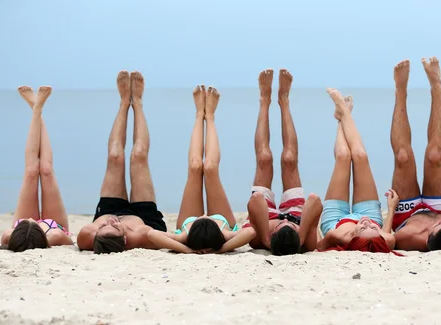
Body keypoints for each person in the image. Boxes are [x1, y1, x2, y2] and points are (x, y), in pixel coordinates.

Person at [146, 85, 256, 253]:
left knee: (195, 166)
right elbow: (250, 232)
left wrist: (186, 249)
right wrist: (222, 248)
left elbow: (152, 234)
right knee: (211, 168)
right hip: (223, 220)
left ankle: (199, 114)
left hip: (188, 224)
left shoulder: (184, 236)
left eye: (202, 218)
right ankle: (210, 116)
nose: (204, 215)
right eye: (206, 218)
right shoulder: (225, 234)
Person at [389, 58, 441, 252]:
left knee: (403, 157)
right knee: (435, 156)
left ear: (427, 235)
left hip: (407, 216)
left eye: (438, 225)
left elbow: (388, 238)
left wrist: (390, 209)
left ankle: (400, 91)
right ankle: (436, 86)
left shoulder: (409, 237)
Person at [77, 71, 167, 254]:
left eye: (104, 227)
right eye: (116, 227)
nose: (113, 223)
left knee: (115, 156)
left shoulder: (87, 235)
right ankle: (138, 103)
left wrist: (104, 223)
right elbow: (177, 240)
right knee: (138, 155)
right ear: (125, 239)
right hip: (145, 219)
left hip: (111, 210)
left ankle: (124, 102)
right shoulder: (143, 235)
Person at [244, 69, 323, 255]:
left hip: (263, 216)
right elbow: (315, 200)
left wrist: (265, 236)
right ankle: (284, 101)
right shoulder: (308, 243)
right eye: (290, 226)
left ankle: (265, 100)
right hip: (298, 215)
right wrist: (301, 233)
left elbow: (255, 200)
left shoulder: (258, 240)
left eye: (282, 225)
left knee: (264, 158)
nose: (284, 220)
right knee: (289, 160)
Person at [0, 86, 74, 252]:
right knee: (46, 169)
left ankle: (36, 110)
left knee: (31, 171)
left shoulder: (9, 234)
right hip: (55, 225)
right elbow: (70, 243)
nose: (31, 218)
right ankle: (37, 108)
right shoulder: (54, 235)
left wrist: (21, 227)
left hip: (25, 233)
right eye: (32, 220)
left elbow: (7, 237)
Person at [316, 91, 401, 254]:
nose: (366, 223)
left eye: (363, 228)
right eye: (374, 228)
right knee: (360, 156)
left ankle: (342, 116)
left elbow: (319, 246)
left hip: (336, 220)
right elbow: (387, 232)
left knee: (343, 155)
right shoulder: (387, 239)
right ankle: (343, 111)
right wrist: (391, 209)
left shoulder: (337, 235)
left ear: (353, 237)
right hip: (368, 210)